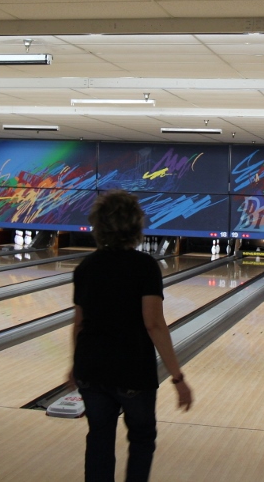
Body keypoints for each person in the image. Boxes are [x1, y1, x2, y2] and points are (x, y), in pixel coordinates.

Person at [69, 190, 193, 482]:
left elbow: (79, 323)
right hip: (132, 371)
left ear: (97, 225)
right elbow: (154, 324)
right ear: (136, 224)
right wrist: (178, 378)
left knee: (99, 438)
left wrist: (74, 365)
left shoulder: (85, 267)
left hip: (91, 370)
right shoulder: (144, 267)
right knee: (141, 439)